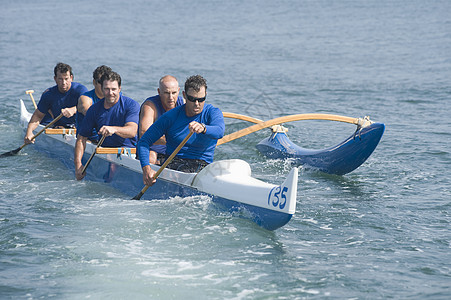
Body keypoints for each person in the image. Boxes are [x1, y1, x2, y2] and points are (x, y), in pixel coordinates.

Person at [138, 75, 225, 186]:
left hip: (203, 164)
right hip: (174, 162)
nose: (197, 104)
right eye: (192, 99)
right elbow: (144, 141)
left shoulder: (213, 112)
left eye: (201, 99)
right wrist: (146, 169)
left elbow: (220, 131)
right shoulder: (171, 116)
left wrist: (204, 128)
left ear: (206, 96)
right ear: (184, 95)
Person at [74, 70, 140, 180]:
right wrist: (78, 165)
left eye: (114, 89)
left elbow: (132, 131)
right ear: (102, 89)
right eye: (107, 89)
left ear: (119, 89)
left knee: (113, 171)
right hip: (105, 151)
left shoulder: (131, 105)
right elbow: (81, 138)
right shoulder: (94, 110)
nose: (110, 93)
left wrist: (114, 129)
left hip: (129, 151)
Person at [24, 62, 88, 144]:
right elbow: (38, 116)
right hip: (58, 126)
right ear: (55, 79)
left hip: (78, 126)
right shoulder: (48, 94)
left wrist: (74, 109)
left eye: (66, 79)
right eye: (60, 79)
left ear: (71, 78)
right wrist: (29, 132)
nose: (64, 83)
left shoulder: (81, 90)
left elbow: (88, 107)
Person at [138, 75, 185, 164]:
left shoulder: (184, 104)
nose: (171, 97)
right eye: (167, 93)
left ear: (179, 91)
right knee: (151, 158)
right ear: (159, 92)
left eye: (174, 93)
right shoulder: (150, 106)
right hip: (153, 149)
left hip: (174, 151)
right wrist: (173, 140)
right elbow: (144, 133)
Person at [76, 65, 112, 142]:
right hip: (89, 140)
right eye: (100, 82)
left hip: (109, 139)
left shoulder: (116, 97)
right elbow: (90, 114)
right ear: (94, 82)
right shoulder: (85, 98)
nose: (104, 85)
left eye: (106, 82)